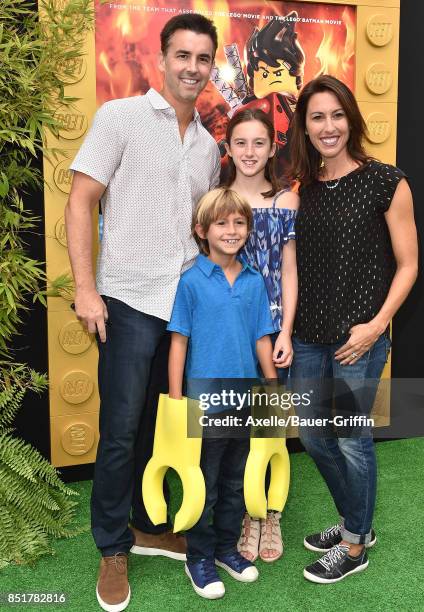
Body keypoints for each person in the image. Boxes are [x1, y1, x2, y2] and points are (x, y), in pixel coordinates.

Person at [65, 14, 221, 612]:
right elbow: (81, 200)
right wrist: (86, 288)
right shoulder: (120, 118)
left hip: (183, 310)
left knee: (167, 431)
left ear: (212, 66)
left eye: (203, 58)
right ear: (162, 58)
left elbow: (200, 231)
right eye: (182, 55)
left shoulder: (209, 147)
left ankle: (143, 525)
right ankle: (112, 547)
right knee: (121, 433)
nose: (192, 67)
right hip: (128, 300)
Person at [288, 75, 418, 583]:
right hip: (308, 335)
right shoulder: (306, 189)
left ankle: (355, 544)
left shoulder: (388, 181)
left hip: (359, 336)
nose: (328, 127)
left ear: (352, 119)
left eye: (337, 115)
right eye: (317, 117)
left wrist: (376, 325)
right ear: (305, 125)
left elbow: (408, 265)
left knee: (348, 436)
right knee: (314, 434)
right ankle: (355, 524)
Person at [167, 187, 277, 599]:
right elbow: (179, 342)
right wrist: (177, 399)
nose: (231, 230)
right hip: (205, 401)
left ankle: (226, 550)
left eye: (239, 223)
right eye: (221, 223)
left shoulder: (253, 281)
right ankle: (199, 556)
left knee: (236, 481)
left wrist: (272, 387)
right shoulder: (191, 281)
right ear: (202, 230)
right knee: (205, 484)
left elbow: (262, 338)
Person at [223, 108, 299, 563]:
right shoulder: (216, 198)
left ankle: (270, 513)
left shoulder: (286, 201)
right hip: (230, 331)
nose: (249, 152)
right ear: (228, 148)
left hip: (272, 330)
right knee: (235, 427)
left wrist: (286, 330)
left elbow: (289, 269)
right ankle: (244, 514)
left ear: (273, 148)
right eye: (240, 143)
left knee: (269, 426)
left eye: (259, 143)